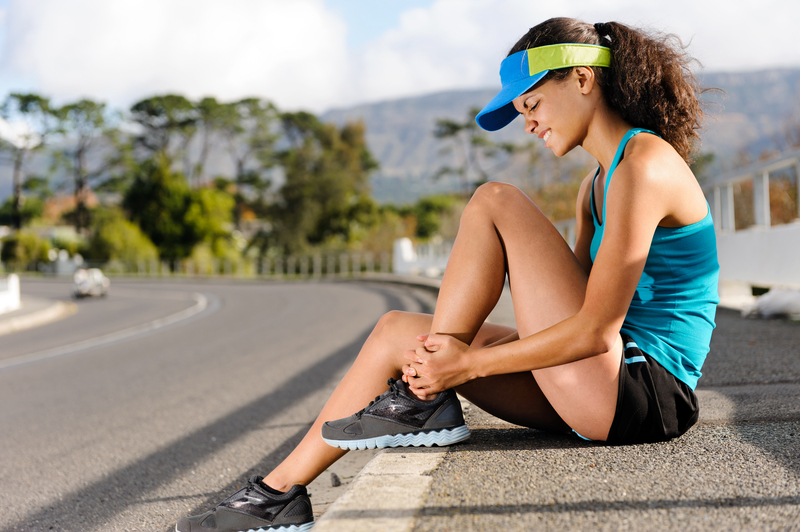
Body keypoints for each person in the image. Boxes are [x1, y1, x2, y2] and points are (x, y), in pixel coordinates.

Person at [176, 17, 719, 532]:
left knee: (495, 200)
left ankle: (425, 398)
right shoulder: (594, 187)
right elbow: (568, 309)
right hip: (596, 384)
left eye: (531, 104)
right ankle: (277, 496)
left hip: (642, 393)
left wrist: (470, 364)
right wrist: (451, 360)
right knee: (396, 332)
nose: (527, 123)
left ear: (582, 79)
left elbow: (593, 330)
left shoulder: (644, 164)